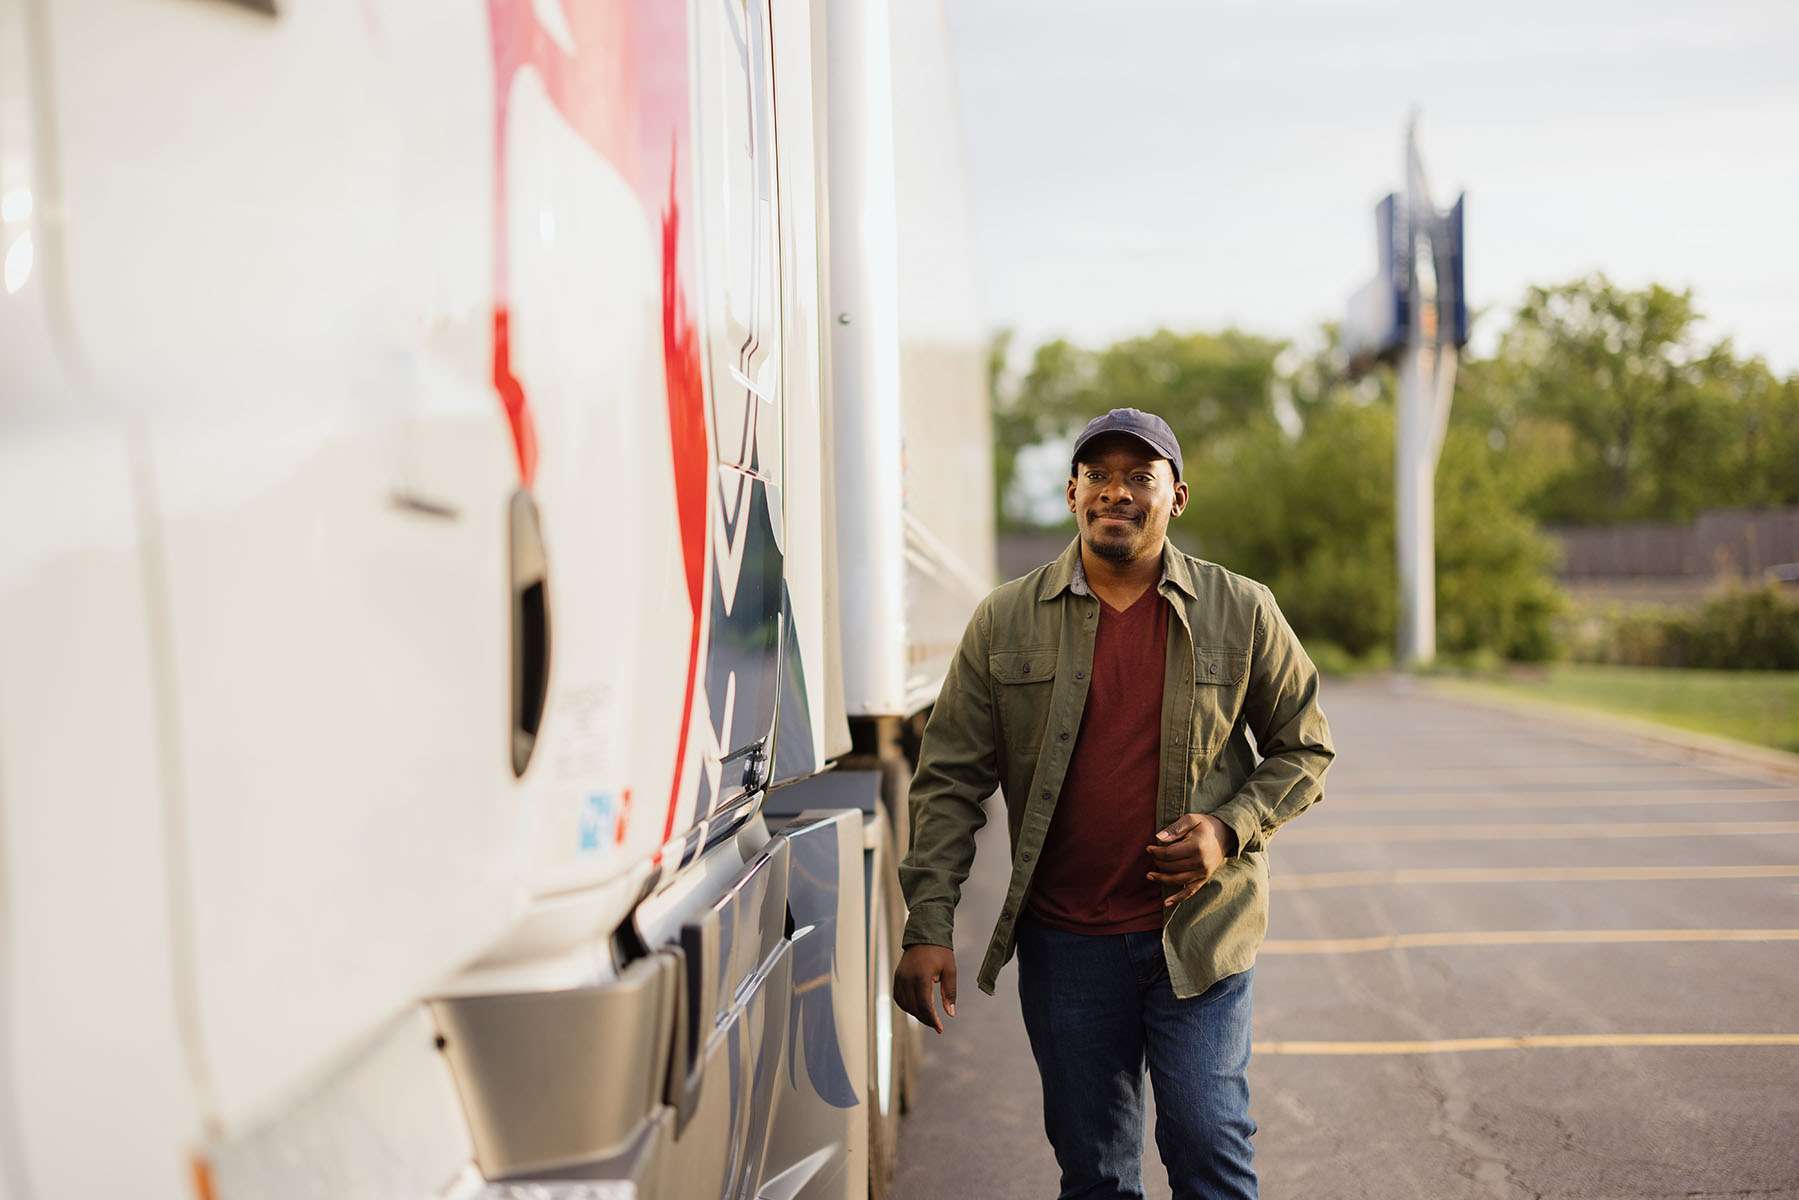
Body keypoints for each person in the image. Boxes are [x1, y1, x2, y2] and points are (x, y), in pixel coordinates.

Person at [892, 407, 1335, 1200]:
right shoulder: (1004, 619)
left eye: (1139, 476)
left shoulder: (1242, 609)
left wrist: (1227, 830)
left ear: (1177, 496)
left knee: (1210, 1148)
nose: (1115, 492)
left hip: (1198, 938)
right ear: (1071, 494)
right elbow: (949, 778)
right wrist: (927, 924)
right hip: (1067, 948)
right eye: (1098, 475)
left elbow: (1305, 748)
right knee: (1094, 1174)